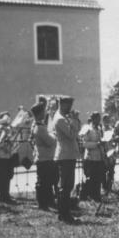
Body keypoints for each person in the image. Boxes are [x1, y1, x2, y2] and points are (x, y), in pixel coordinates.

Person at [53, 96, 82, 224]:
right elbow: (71, 135)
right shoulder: (60, 119)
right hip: (65, 156)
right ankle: (65, 215)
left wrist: (75, 121)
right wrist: (74, 120)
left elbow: (76, 130)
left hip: (68, 155)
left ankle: (63, 213)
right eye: (68, 105)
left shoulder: (63, 117)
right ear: (62, 104)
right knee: (66, 186)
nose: (70, 108)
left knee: (66, 186)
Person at [31, 102, 57, 211]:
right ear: (40, 113)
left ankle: (47, 202)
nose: (45, 112)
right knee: (44, 183)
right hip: (45, 158)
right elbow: (50, 141)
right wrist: (54, 134)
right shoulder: (40, 128)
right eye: (43, 111)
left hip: (44, 157)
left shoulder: (38, 125)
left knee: (46, 182)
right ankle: (43, 204)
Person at [80, 111, 106, 202]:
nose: (99, 120)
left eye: (99, 118)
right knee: (90, 178)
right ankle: (87, 195)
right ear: (93, 119)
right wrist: (97, 144)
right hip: (90, 157)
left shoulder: (99, 128)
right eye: (97, 118)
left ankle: (97, 195)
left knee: (98, 178)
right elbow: (84, 144)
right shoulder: (87, 129)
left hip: (99, 157)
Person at [0, 111, 16, 204]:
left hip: (9, 155)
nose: (8, 119)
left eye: (9, 117)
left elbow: (11, 140)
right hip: (1, 156)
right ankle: (3, 196)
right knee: (2, 177)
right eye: (5, 117)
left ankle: (6, 194)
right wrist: (5, 143)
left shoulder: (9, 129)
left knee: (8, 176)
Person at [101, 113, 116, 192]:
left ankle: (109, 186)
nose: (106, 121)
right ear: (102, 121)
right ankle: (104, 186)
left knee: (111, 169)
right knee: (103, 170)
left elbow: (114, 139)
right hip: (103, 152)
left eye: (107, 119)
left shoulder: (112, 129)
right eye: (104, 120)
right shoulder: (101, 129)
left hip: (111, 151)